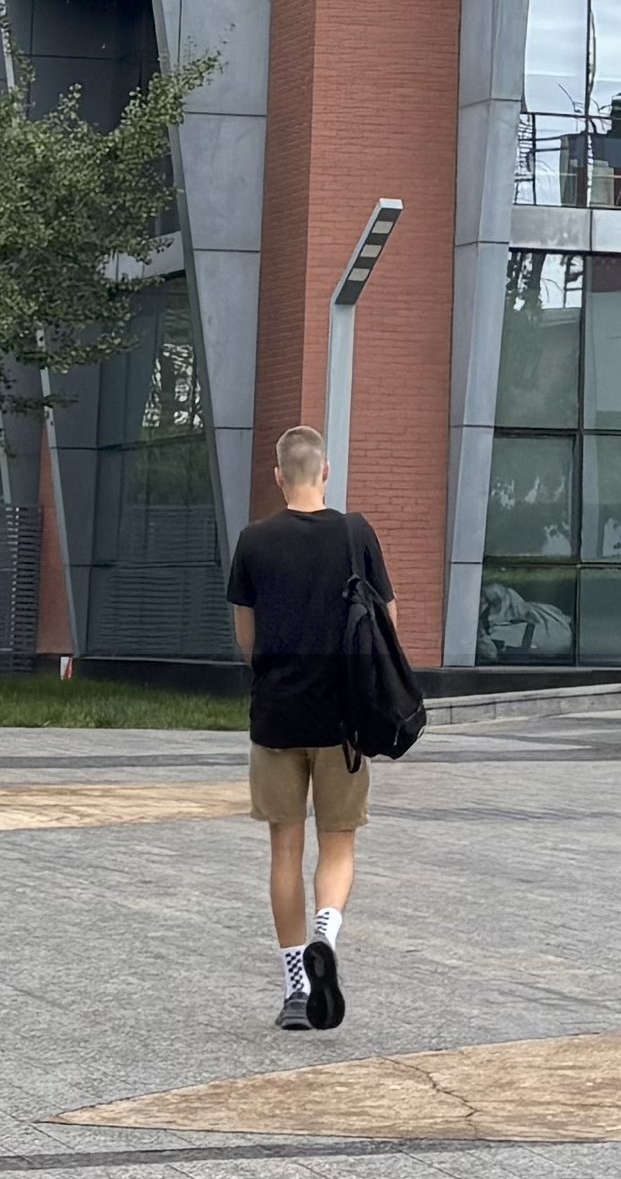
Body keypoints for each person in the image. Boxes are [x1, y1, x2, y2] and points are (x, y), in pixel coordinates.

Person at [225, 420, 393, 1032]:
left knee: (285, 850)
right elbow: (387, 623)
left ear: (278, 477)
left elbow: (247, 640)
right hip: (343, 721)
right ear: (325, 471)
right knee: (338, 842)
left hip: (276, 717)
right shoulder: (356, 533)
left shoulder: (253, 541)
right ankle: (327, 931)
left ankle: (296, 989)